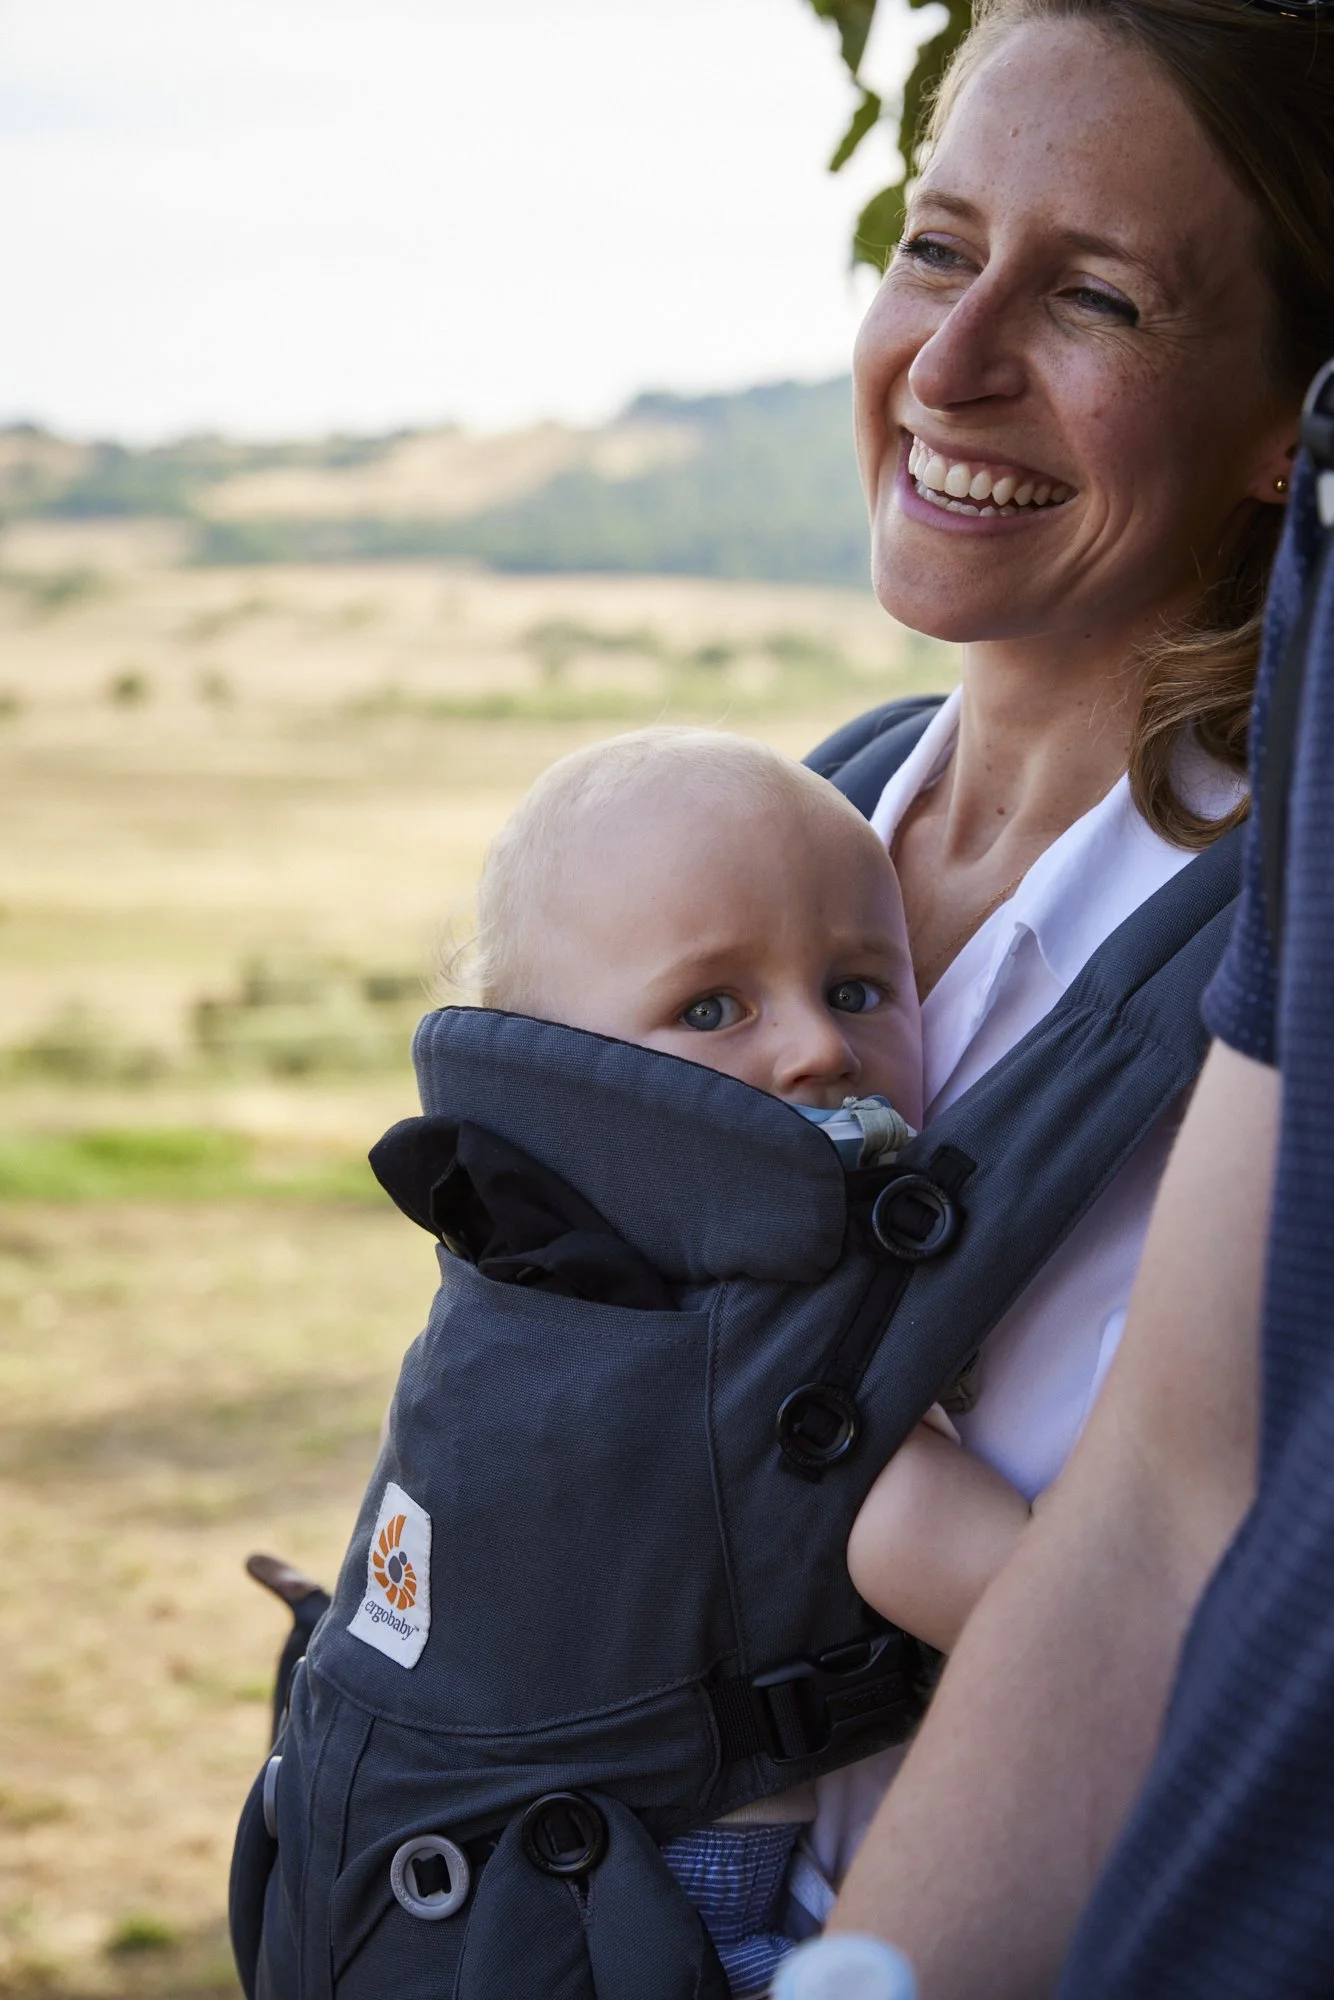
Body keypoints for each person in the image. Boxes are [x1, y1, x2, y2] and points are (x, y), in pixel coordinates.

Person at [789, 0, 1334, 1920]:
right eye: (935, 249)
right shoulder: (798, 827)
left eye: (1094, 298)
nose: (946, 362)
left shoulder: (1283, 988)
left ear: (1292, 424)